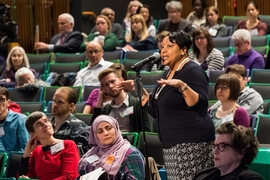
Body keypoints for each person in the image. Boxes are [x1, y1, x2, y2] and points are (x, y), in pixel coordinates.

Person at [144, 31, 215, 179]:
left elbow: (201, 105)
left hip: (191, 144)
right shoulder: (168, 73)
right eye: (162, 46)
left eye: (169, 46)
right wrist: (144, 99)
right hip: (171, 144)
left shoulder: (193, 70)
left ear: (183, 50)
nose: (163, 51)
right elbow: (158, 112)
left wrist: (183, 86)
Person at [78, 115, 145, 179]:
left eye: (108, 128)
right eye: (100, 131)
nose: (106, 133)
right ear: (95, 136)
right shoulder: (93, 152)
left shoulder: (131, 153)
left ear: (116, 129)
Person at [18, 111, 80, 180]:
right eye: (39, 124)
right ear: (33, 134)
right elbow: (23, 176)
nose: (45, 125)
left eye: (46, 121)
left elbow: (70, 176)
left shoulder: (68, 145)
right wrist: (26, 156)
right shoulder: (37, 151)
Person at [193, 122, 263, 180]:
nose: (215, 151)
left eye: (223, 146)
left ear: (240, 153)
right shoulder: (202, 175)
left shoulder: (251, 178)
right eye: (215, 145)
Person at [91, 67, 152, 132]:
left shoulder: (138, 105)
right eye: (106, 85)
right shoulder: (106, 109)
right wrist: (99, 103)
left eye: (112, 81)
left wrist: (137, 87)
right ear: (104, 89)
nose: (110, 86)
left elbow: (146, 132)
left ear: (121, 80)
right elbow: (93, 132)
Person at [50, 87, 90, 153]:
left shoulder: (78, 126)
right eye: (54, 101)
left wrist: (50, 144)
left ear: (71, 106)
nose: (55, 105)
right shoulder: (47, 124)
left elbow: (78, 152)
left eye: (60, 102)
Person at [0, 86, 29, 153]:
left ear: (8, 103)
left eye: (2, 99)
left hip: (15, 162)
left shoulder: (20, 120)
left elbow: (26, 149)